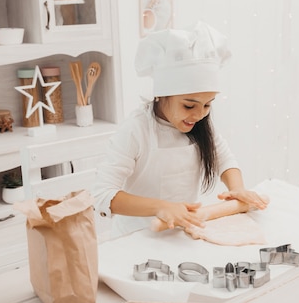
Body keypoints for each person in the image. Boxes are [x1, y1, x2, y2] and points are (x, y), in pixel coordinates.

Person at [92, 21, 268, 238]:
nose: (199, 115)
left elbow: (225, 159)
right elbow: (102, 194)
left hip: (182, 235)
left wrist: (237, 188)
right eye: (188, 105)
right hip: (135, 239)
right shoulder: (136, 130)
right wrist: (160, 207)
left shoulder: (200, 124)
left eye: (207, 104)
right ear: (162, 94)